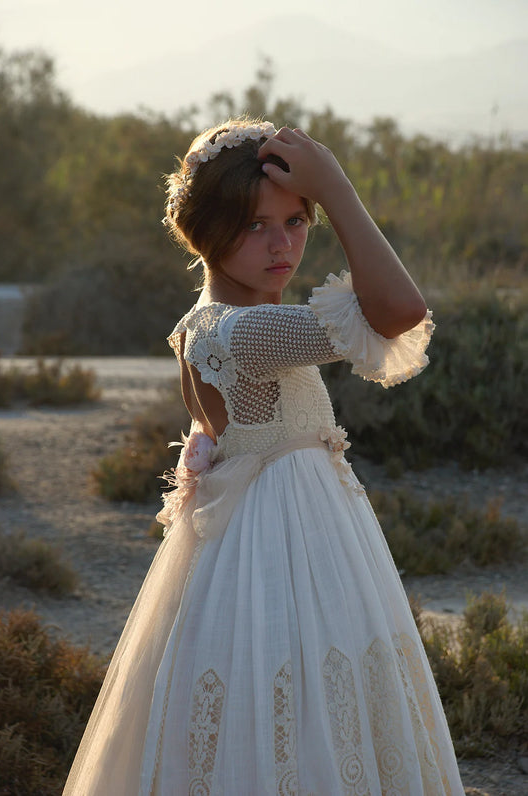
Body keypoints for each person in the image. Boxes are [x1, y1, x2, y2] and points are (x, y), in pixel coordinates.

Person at [64, 119, 464, 795]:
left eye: (297, 219)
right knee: (295, 709)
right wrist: (335, 188)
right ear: (206, 230)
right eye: (254, 225)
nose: (282, 245)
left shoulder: (211, 323)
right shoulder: (242, 332)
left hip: (285, 543)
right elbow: (397, 309)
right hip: (277, 553)